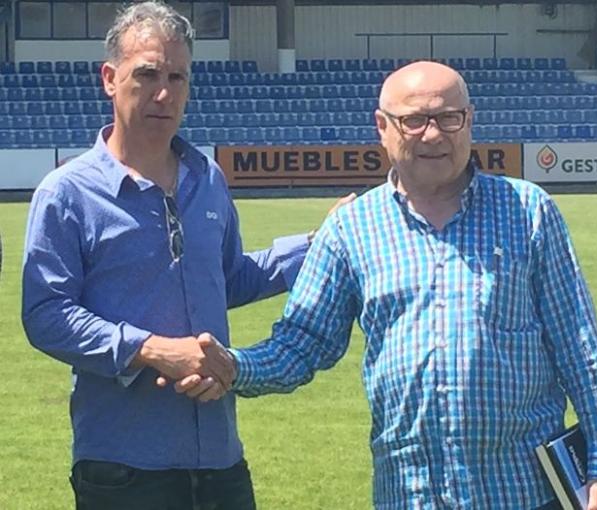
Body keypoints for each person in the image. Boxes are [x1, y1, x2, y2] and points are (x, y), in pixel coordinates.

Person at [201, 61, 597, 509]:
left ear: (470, 120)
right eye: (414, 121)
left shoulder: (528, 212)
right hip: (411, 495)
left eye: (449, 117)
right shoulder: (352, 229)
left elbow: (580, 350)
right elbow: (302, 343)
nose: (433, 134)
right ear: (382, 128)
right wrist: (234, 366)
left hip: (524, 493)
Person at [22, 2, 352, 508]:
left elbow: (230, 278)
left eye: (178, 77)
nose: (164, 93)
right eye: (148, 74)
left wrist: (316, 243)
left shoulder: (208, 179)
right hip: (124, 466)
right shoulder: (66, 193)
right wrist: (148, 349)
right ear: (110, 78)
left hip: (221, 461)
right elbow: (46, 313)